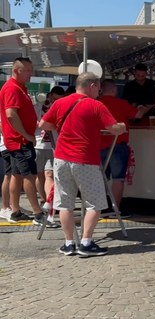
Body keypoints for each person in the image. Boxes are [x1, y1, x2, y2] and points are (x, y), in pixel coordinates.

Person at [39, 72, 127, 257]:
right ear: (92, 86)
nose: (99, 92)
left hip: (61, 158)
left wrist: (64, 127)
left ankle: (68, 243)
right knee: (95, 203)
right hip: (85, 159)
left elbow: (44, 124)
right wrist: (122, 126)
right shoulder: (96, 105)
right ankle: (86, 243)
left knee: (65, 204)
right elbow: (113, 129)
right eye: (98, 88)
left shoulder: (60, 103)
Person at [0, 57, 46, 224]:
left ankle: (15, 210)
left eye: (30, 70)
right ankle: (38, 213)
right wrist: (26, 135)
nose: (30, 74)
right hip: (19, 141)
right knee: (29, 176)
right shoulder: (13, 88)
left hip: (17, 140)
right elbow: (11, 114)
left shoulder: (19, 88)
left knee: (17, 175)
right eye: (27, 70)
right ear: (16, 70)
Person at [98, 79, 147, 217]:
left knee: (100, 178)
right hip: (118, 145)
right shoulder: (121, 103)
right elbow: (137, 114)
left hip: (99, 145)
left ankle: (98, 208)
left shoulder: (96, 104)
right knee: (118, 179)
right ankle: (115, 210)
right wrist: (143, 108)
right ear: (114, 90)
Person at [35, 86, 65, 208]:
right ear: (50, 95)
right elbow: (34, 122)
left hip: (53, 146)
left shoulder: (60, 107)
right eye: (54, 98)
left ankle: (49, 203)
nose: (54, 101)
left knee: (49, 174)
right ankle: (44, 199)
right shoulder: (38, 105)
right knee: (39, 175)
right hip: (38, 144)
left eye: (58, 100)